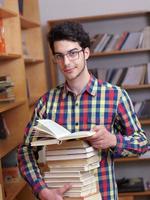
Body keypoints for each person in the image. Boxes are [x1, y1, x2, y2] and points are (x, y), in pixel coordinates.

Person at [18, 21, 148, 200]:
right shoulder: (46, 103)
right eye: (59, 56)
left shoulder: (116, 96)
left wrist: (112, 140)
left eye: (73, 53)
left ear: (86, 53)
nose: (66, 62)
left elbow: (142, 143)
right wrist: (42, 190)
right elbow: (25, 151)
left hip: (103, 195)